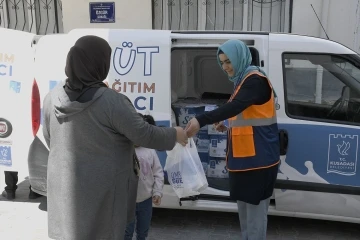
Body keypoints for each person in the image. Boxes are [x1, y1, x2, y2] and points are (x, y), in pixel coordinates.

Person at [42, 35, 188, 240]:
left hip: (65, 192)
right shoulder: (111, 101)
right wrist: (176, 134)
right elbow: (144, 134)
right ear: (100, 63)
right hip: (102, 193)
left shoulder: (53, 97)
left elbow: (50, 139)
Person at [185, 39, 280, 240]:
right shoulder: (242, 81)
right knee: (245, 219)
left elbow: (236, 106)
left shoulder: (255, 80)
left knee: (254, 222)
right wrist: (226, 123)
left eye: (229, 61)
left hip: (258, 162)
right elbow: (245, 113)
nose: (226, 67)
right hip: (243, 161)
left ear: (240, 58)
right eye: (222, 63)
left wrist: (201, 119)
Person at [125, 114, 164, 240]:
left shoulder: (150, 151)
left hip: (146, 200)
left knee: (143, 232)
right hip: (127, 201)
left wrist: (157, 192)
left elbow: (158, 173)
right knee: (126, 233)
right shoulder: (123, 150)